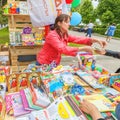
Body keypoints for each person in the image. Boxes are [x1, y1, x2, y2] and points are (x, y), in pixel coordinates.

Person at [37, 14, 106, 66]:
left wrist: (95, 40)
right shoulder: (52, 35)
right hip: (44, 63)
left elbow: (77, 39)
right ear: (59, 23)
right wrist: (83, 48)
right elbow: (63, 49)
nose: (69, 24)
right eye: (66, 22)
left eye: (69, 22)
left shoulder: (64, 34)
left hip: (54, 63)